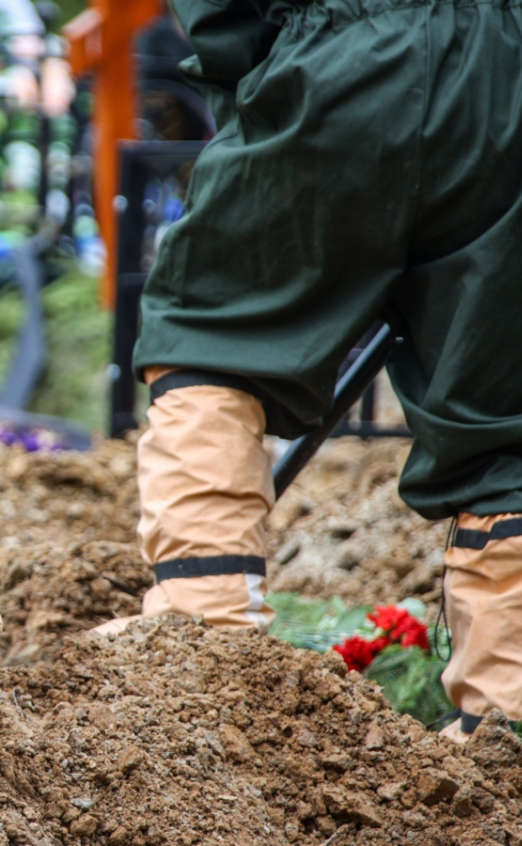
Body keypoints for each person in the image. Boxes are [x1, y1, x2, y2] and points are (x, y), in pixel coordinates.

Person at [90, 0, 522, 744]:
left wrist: (261, 96)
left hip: (339, 50)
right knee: (502, 411)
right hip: (509, 74)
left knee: (211, 329)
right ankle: (504, 716)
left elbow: (221, 21)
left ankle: (204, 641)